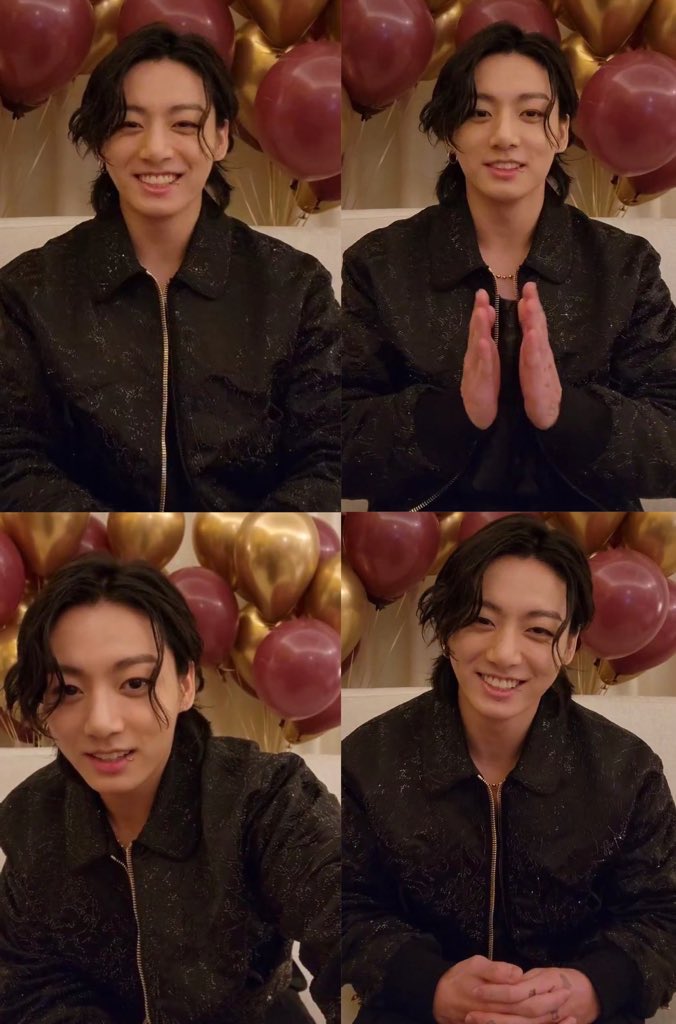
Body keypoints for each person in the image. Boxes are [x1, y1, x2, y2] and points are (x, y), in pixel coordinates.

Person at [342, 514, 676, 1024]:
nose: (504, 653)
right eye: (482, 620)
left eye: (539, 630)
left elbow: (662, 913)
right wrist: (431, 985)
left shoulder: (625, 770)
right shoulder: (370, 760)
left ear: (570, 643)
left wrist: (589, 989)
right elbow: (346, 905)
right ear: (448, 626)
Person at [0, 25, 340, 512]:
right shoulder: (30, 290)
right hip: (93, 546)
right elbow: (13, 457)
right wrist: (119, 537)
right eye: (129, 124)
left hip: (251, 547)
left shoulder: (293, 287)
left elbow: (329, 455)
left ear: (221, 136)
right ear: (100, 141)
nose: (156, 149)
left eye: (183, 124)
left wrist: (251, 539)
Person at [341, 22, 676, 511]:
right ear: (450, 132)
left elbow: (669, 438)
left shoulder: (624, 266)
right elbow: (334, 442)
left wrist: (566, 412)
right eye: (479, 113)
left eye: (532, 113)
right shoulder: (379, 265)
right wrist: (454, 414)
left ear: (563, 130)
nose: (504, 136)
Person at [0, 554, 340, 1024]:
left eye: (134, 682)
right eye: (69, 689)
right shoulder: (32, 818)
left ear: (185, 684)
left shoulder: (264, 797)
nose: (102, 723)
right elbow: (30, 985)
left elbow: (348, 920)